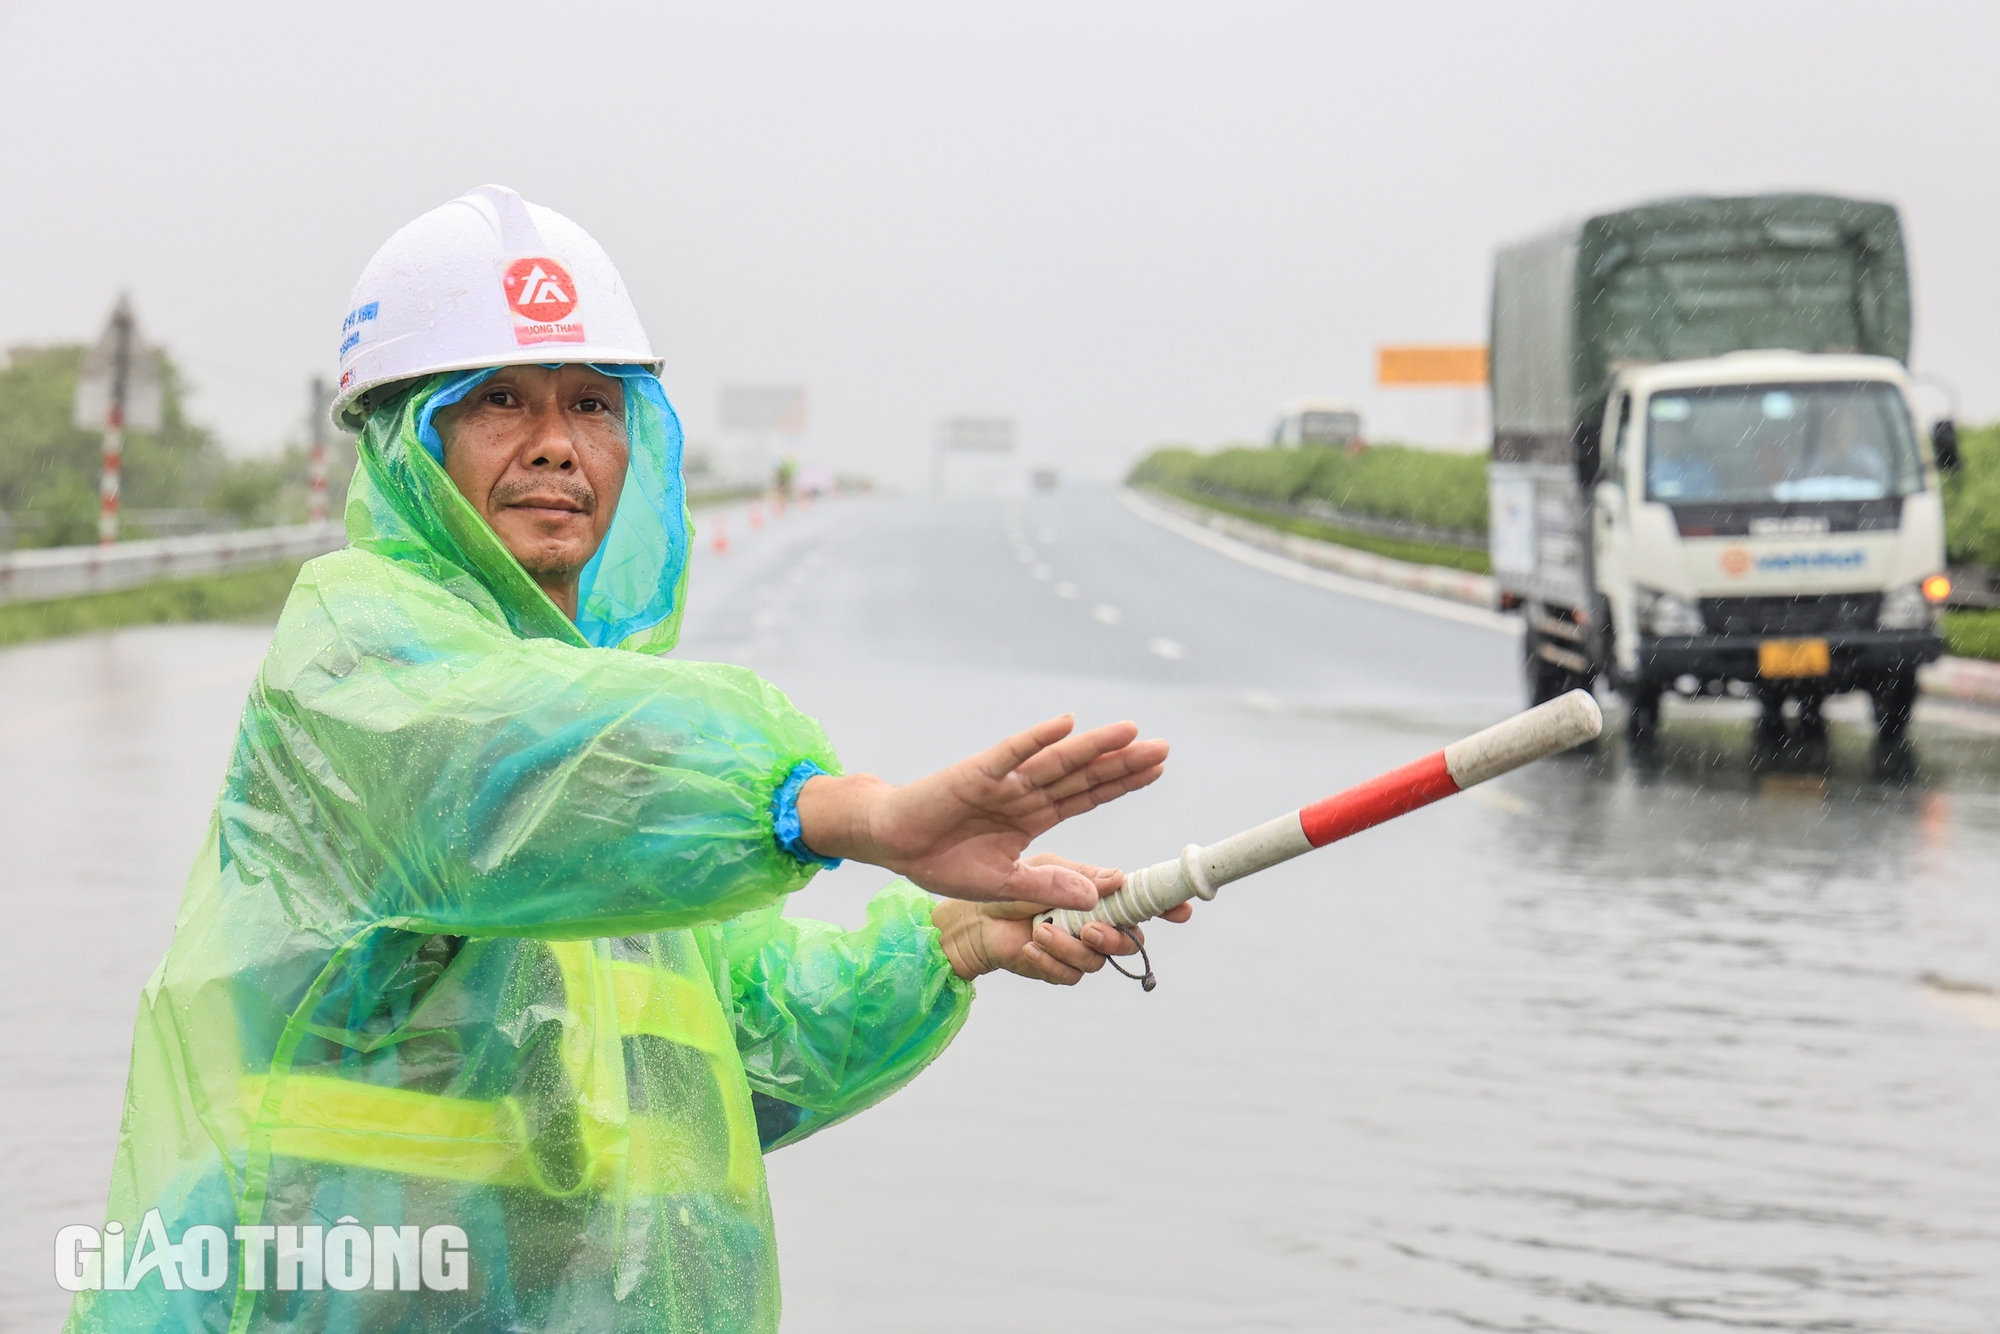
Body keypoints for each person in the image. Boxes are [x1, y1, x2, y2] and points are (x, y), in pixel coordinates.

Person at [64, 185, 1185, 1334]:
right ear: (407, 438)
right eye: (498, 398)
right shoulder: (358, 662)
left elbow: (737, 1053)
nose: (555, 442)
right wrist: (837, 812)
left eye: (593, 403)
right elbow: (523, 760)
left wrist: (948, 941)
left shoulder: (628, 779)